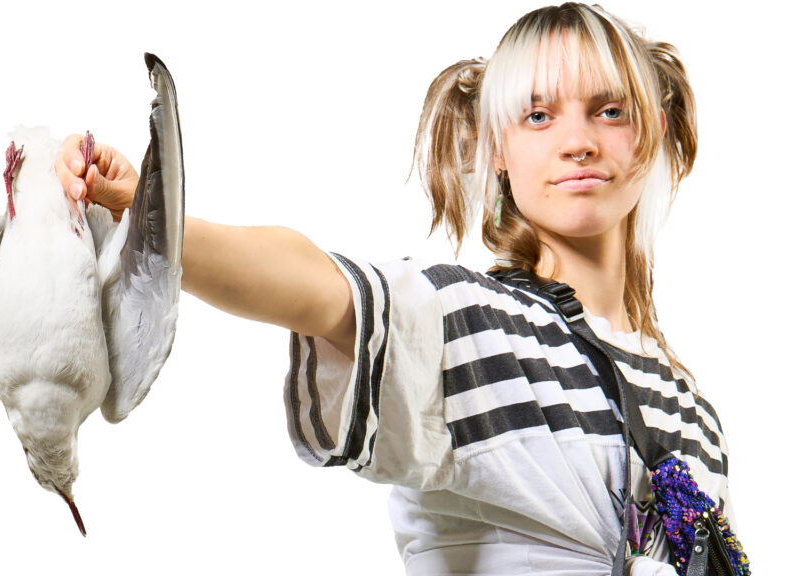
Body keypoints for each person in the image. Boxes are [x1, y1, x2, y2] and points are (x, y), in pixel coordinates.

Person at [54, 3, 739, 574]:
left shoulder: (692, 411)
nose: (578, 140)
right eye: (538, 115)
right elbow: (319, 289)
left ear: (651, 134)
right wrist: (150, 216)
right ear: (496, 150)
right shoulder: (471, 322)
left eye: (610, 111)